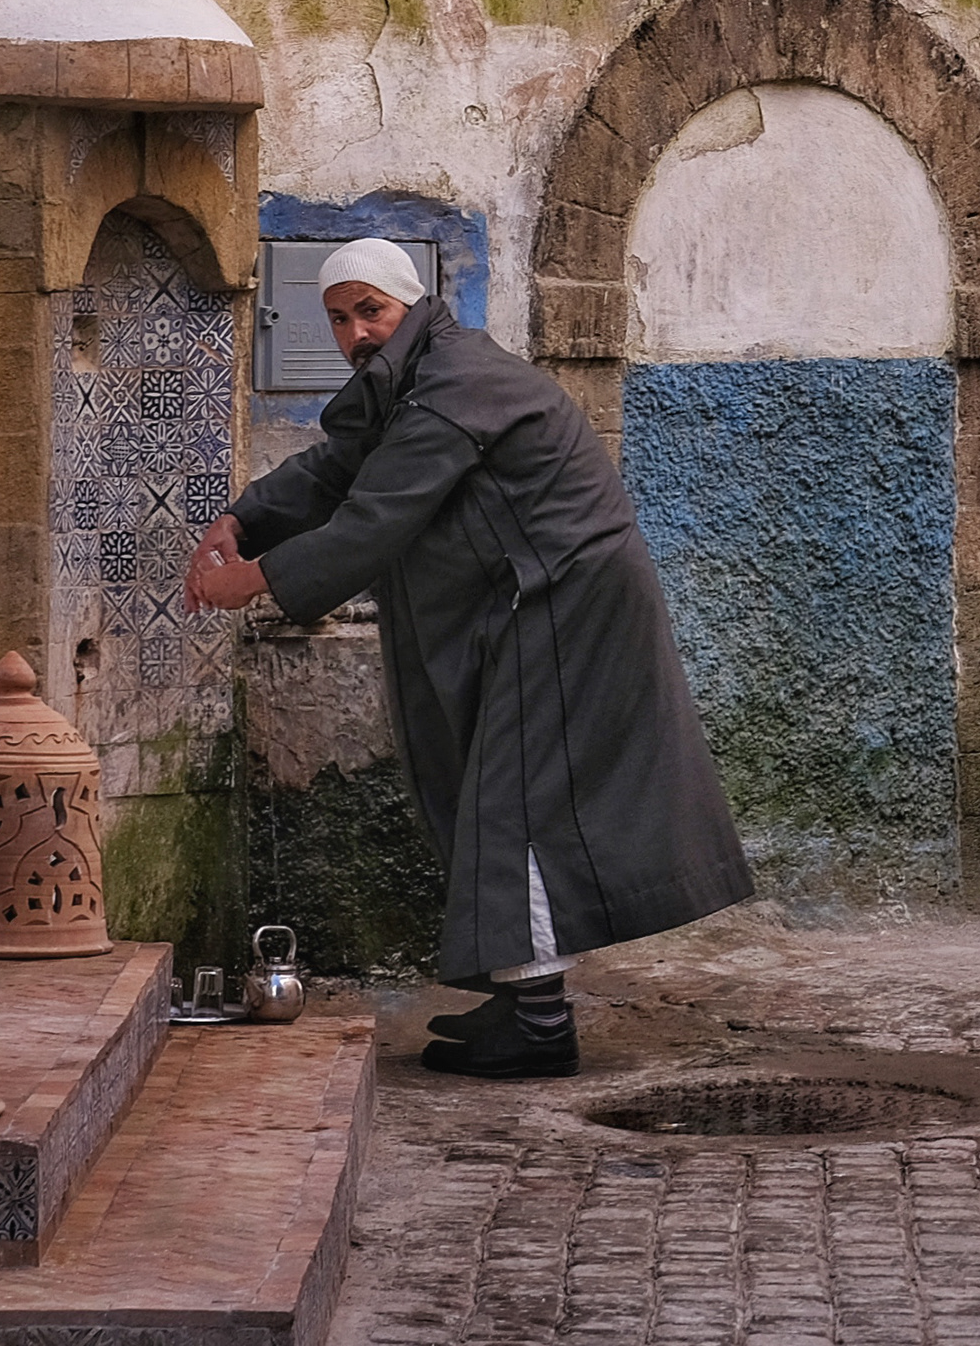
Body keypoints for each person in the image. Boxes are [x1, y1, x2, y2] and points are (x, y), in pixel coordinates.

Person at [184, 239, 752, 1078]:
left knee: (513, 798)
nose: (354, 334)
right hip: (530, 603)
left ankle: (539, 1024)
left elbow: (375, 516)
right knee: (500, 793)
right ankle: (523, 996)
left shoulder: (457, 381)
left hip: (561, 605)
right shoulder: (417, 376)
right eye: (338, 319)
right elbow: (340, 466)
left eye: (370, 311)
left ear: (410, 305)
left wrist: (252, 578)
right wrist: (245, 517)